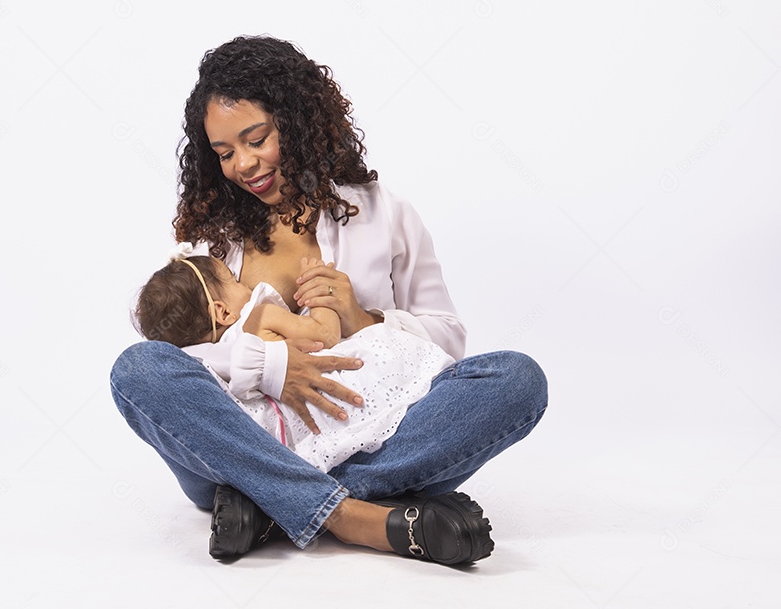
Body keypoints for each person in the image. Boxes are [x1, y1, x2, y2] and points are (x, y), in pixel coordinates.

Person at [111, 35, 548, 566]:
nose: (244, 165)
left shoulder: (383, 214)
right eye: (225, 153)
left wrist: (364, 319)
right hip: (241, 442)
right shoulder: (213, 240)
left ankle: (269, 506)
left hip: (366, 436)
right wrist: (270, 367)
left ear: (294, 120)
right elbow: (181, 355)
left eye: (256, 139)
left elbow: (449, 340)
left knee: (516, 380)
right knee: (137, 368)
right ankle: (356, 518)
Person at [134, 251, 455, 472]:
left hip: (280, 439)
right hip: (323, 402)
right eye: (233, 280)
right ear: (222, 312)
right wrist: (318, 293)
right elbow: (324, 336)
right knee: (383, 356)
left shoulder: (208, 364)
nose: (244, 283)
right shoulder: (258, 317)